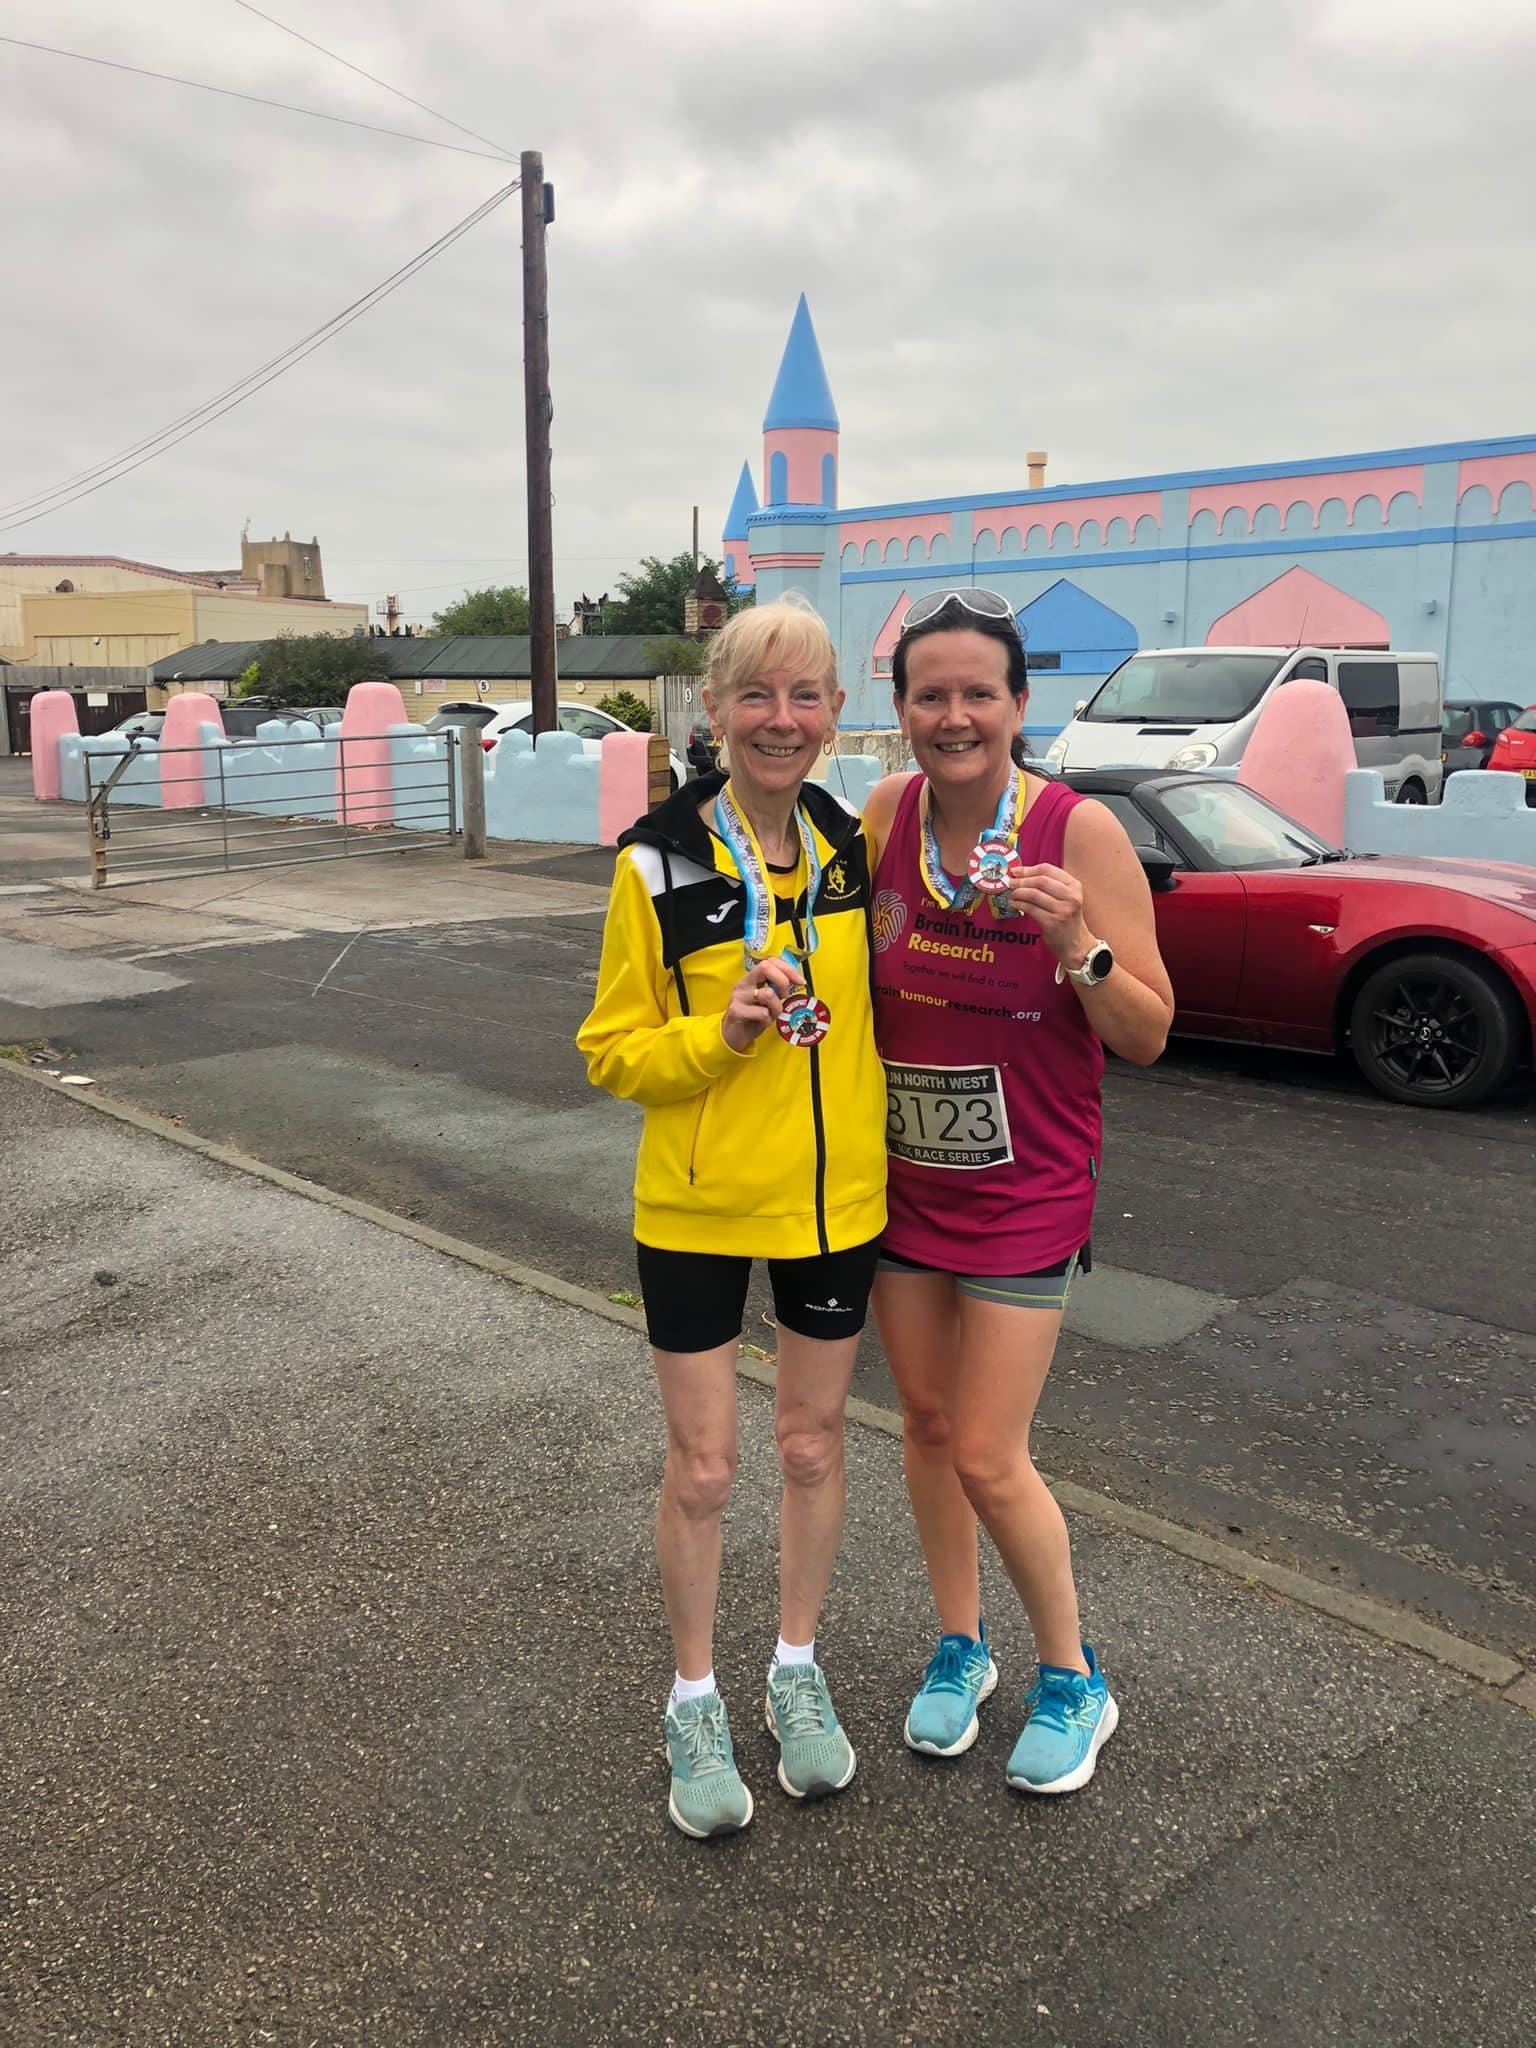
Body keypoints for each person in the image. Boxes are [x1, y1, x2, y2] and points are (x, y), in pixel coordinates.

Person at [577, 598, 887, 1838]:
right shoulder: (655, 860)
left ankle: (795, 1670)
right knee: (706, 1467)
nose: (781, 718)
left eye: (804, 694)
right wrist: (721, 1034)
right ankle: (694, 1695)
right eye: (755, 694)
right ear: (713, 709)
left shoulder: (849, 843)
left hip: (834, 1206)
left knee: (812, 1448)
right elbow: (609, 1050)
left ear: (833, 715)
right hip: (699, 1211)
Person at [863, 589, 1174, 1796]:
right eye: (929, 693)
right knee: (928, 1429)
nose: (954, 715)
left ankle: (1072, 1673)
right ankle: (961, 1645)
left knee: (992, 1449)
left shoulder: (1074, 831)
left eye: (977, 692)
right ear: (901, 711)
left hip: (1028, 1190)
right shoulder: (889, 813)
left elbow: (1146, 1031)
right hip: (901, 1189)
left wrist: (1078, 948)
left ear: (1019, 703)